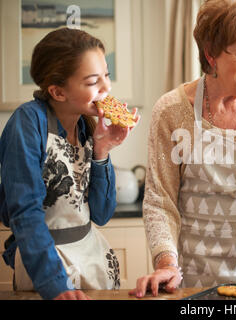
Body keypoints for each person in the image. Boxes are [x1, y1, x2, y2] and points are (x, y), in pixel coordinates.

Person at [129, 0, 236, 297]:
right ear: (211, 55)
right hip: (195, 269)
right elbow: (160, 200)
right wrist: (166, 263)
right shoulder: (172, 111)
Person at [0, 28, 139, 299]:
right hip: (47, 266)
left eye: (106, 76)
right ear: (58, 91)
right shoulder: (27, 123)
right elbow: (25, 213)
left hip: (94, 259)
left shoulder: (87, 126)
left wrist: (102, 151)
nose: (106, 88)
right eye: (92, 81)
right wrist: (56, 285)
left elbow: (101, 214)